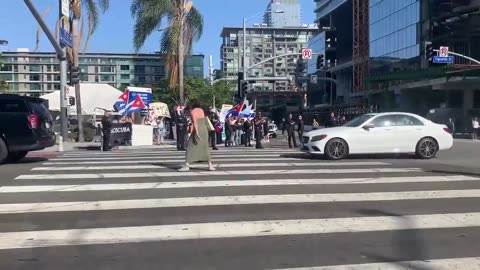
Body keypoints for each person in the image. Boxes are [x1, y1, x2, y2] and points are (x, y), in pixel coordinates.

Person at [178, 101, 215, 172]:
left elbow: (195, 123)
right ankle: (210, 165)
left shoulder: (193, 111)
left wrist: (196, 133)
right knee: (205, 147)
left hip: (197, 129)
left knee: (189, 147)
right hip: (204, 129)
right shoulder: (201, 110)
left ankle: (187, 165)